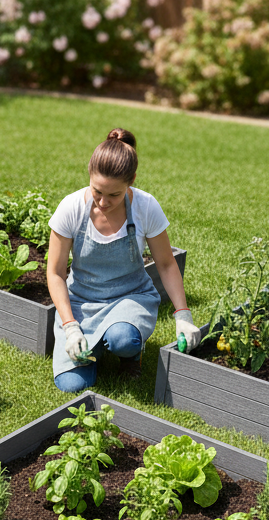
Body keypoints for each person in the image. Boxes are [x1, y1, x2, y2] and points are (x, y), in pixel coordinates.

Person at [46, 128, 199, 392]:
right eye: (97, 191)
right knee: (71, 385)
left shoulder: (145, 206)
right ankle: (92, 349)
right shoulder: (71, 208)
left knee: (123, 340)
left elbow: (165, 263)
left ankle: (128, 352)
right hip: (83, 300)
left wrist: (183, 315)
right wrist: (70, 327)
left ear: (132, 181)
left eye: (114, 195)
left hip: (130, 296)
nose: (103, 202)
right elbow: (55, 273)